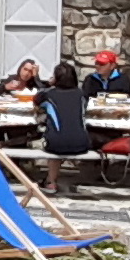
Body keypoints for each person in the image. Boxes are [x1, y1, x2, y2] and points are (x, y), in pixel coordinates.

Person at [37, 61, 92, 196]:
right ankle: (51, 181)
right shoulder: (81, 95)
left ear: (56, 78)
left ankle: (50, 182)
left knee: (57, 139)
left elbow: (37, 100)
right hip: (81, 143)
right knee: (65, 134)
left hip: (56, 144)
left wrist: (49, 85)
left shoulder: (49, 95)